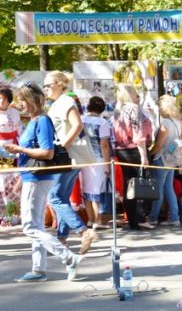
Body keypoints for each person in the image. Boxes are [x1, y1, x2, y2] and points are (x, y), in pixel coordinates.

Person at [5, 83, 84, 282]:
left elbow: (47, 152)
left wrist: (19, 150)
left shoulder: (41, 121)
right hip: (33, 177)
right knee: (37, 226)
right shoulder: (35, 121)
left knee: (30, 227)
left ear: (32, 101)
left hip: (37, 178)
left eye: (22, 100)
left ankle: (68, 257)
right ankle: (38, 270)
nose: (19, 104)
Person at [43, 71, 96, 255]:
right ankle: (62, 239)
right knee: (61, 198)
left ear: (59, 83)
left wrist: (63, 146)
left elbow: (77, 125)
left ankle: (83, 231)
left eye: (48, 85)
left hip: (67, 157)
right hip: (68, 158)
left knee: (55, 197)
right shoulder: (58, 103)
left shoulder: (66, 101)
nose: (46, 89)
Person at [112, 84, 152, 232]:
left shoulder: (118, 110)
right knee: (143, 184)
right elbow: (139, 133)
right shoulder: (133, 109)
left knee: (129, 185)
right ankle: (141, 217)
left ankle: (132, 219)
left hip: (121, 150)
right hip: (136, 149)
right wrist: (144, 156)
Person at [147, 94, 182, 228]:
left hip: (161, 159)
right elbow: (173, 143)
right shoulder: (177, 123)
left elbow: (159, 144)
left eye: (159, 107)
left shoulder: (166, 123)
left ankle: (153, 217)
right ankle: (174, 217)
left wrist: (150, 154)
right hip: (171, 159)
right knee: (169, 188)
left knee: (159, 189)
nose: (159, 110)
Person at [80, 96, 112, 229]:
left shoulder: (81, 120)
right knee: (96, 191)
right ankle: (98, 221)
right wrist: (107, 163)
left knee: (86, 190)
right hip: (97, 159)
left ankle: (90, 220)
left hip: (82, 158)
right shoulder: (102, 122)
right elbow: (104, 145)